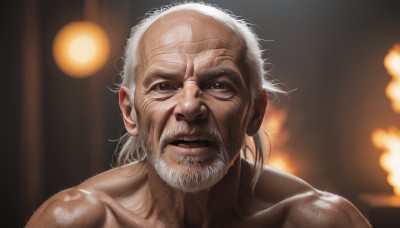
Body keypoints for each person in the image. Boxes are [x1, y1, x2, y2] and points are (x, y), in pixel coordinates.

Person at [26, 2, 371, 227]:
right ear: (130, 112)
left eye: (219, 84)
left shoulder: (320, 221)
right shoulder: (75, 221)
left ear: (255, 112)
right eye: (163, 86)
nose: (190, 107)